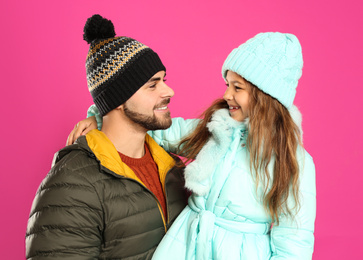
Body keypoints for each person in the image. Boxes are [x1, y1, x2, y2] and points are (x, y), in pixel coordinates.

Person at [70, 32, 316, 259]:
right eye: (227, 85)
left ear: (266, 96)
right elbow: (157, 131)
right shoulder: (216, 128)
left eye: (237, 87)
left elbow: (294, 243)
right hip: (185, 245)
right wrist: (102, 116)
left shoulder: (293, 161)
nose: (227, 95)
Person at [25, 14, 188, 260]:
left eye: (164, 80)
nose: (169, 91)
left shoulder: (171, 167)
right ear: (119, 100)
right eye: (153, 85)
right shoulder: (73, 183)